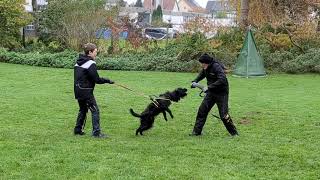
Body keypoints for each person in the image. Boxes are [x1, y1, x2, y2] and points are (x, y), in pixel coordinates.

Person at [190, 53, 238, 136]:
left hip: (221, 93)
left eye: (202, 63)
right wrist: (195, 81)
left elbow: (222, 79)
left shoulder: (216, 67)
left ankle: (234, 134)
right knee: (202, 111)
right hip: (211, 93)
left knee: (224, 115)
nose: (201, 65)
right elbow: (202, 74)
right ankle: (196, 132)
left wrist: (209, 87)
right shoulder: (206, 67)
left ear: (207, 62)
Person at [74, 43, 114, 138]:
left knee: (83, 110)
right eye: (95, 51)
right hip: (86, 92)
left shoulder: (78, 62)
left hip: (78, 90)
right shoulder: (91, 63)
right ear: (90, 52)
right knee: (95, 110)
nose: (96, 53)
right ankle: (96, 133)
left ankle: (78, 130)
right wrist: (108, 80)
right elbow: (96, 79)